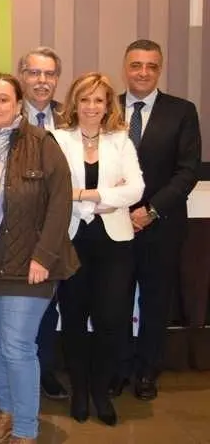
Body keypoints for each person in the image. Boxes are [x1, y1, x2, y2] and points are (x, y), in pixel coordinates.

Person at [0, 74, 78, 444]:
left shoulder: (41, 143)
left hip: (30, 266)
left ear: (18, 105)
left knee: (17, 346)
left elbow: (60, 203)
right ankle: (5, 411)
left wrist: (44, 256)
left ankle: (25, 427)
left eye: (3, 99)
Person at [110, 39, 201, 401]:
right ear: (125, 68)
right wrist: (119, 210)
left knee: (155, 302)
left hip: (161, 226)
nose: (143, 72)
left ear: (159, 70)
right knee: (115, 301)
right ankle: (118, 368)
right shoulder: (107, 108)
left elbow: (187, 171)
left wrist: (150, 211)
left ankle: (147, 371)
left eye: (151, 66)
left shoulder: (182, 111)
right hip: (113, 225)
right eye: (136, 65)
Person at [52, 73, 144, 426]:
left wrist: (86, 194)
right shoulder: (59, 139)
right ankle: (79, 390)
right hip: (72, 239)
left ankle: (100, 391)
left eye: (98, 100)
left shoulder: (120, 141)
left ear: (108, 106)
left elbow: (136, 189)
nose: (91, 107)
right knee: (73, 317)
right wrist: (105, 196)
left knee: (110, 319)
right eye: (85, 99)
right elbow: (56, 189)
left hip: (114, 243)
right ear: (74, 103)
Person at [17, 46, 70, 400]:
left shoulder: (70, 118)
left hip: (62, 229)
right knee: (18, 311)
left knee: (51, 306)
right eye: (34, 73)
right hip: (19, 231)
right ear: (22, 76)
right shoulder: (6, 113)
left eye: (49, 74)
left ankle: (45, 369)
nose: (42, 81)